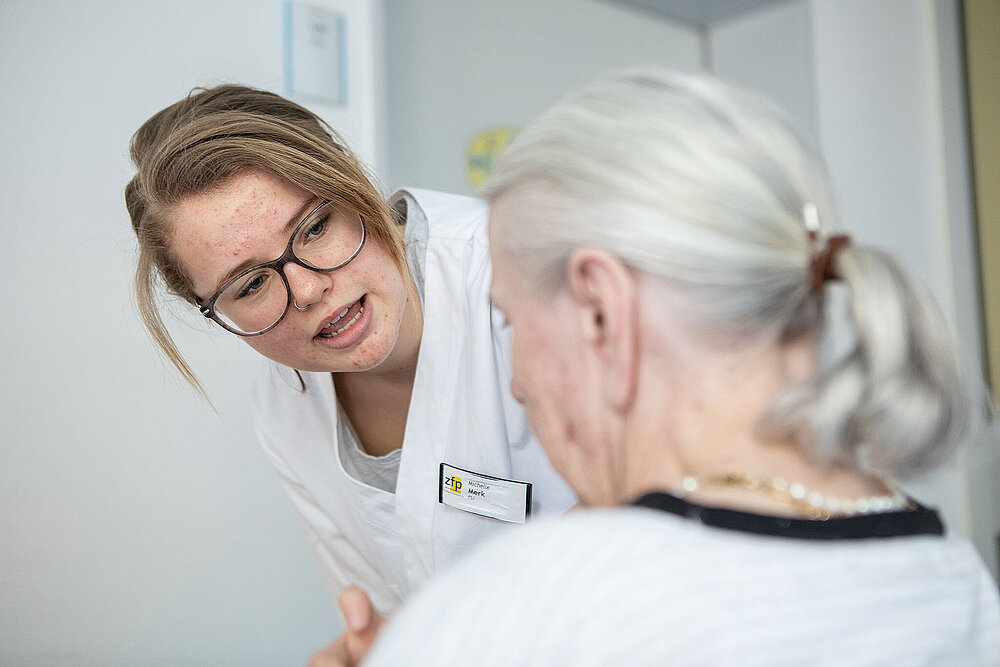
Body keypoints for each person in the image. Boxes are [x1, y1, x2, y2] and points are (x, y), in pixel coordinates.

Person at [363, 69, 1000, 665]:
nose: (515, 383)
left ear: (600, 312)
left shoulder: (538, 608)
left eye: (510, 322)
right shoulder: (958, 578)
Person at [124, 85, 576, 659]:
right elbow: (387, 623)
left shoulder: (520, 272)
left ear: (355, 187)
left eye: (314, 228)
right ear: (214, 313)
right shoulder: (284, 408)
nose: (310, 290)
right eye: (253, 284)